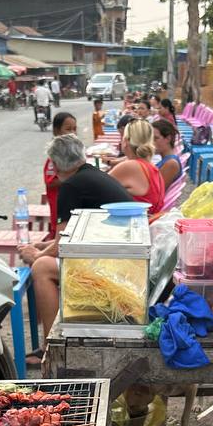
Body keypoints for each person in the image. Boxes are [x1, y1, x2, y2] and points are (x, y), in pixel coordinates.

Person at [20, 134, 132, 342]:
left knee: (41, 267)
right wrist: (43, 246)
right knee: (44, 259)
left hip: (116, 268)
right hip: (125, 259)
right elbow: (72, 234)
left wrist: (35, 255)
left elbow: (61, 246)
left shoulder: (71, 186)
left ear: (55, 165)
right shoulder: (93, 176)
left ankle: (51, 344)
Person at [108, 119, 165, 213]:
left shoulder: (130, 166)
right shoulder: (149, 166)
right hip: (147, 219)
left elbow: (96, 187)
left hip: (133, 220)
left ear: (126, 141)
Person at [43, 110, 78, 236]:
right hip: (59, 206)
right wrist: (75, 176)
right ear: (56, 131)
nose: (73, 133)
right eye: (68, 129)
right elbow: (50, 182)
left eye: (75, 129)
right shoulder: (54, 157)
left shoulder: (73, 153)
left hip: (72, 204)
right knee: (60, 235)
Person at [151, 118, 183, 191]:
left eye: (155, 138)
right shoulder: (167, 160)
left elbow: (157, 191)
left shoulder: (171, 163)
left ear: (168, 139)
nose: (151, 142)